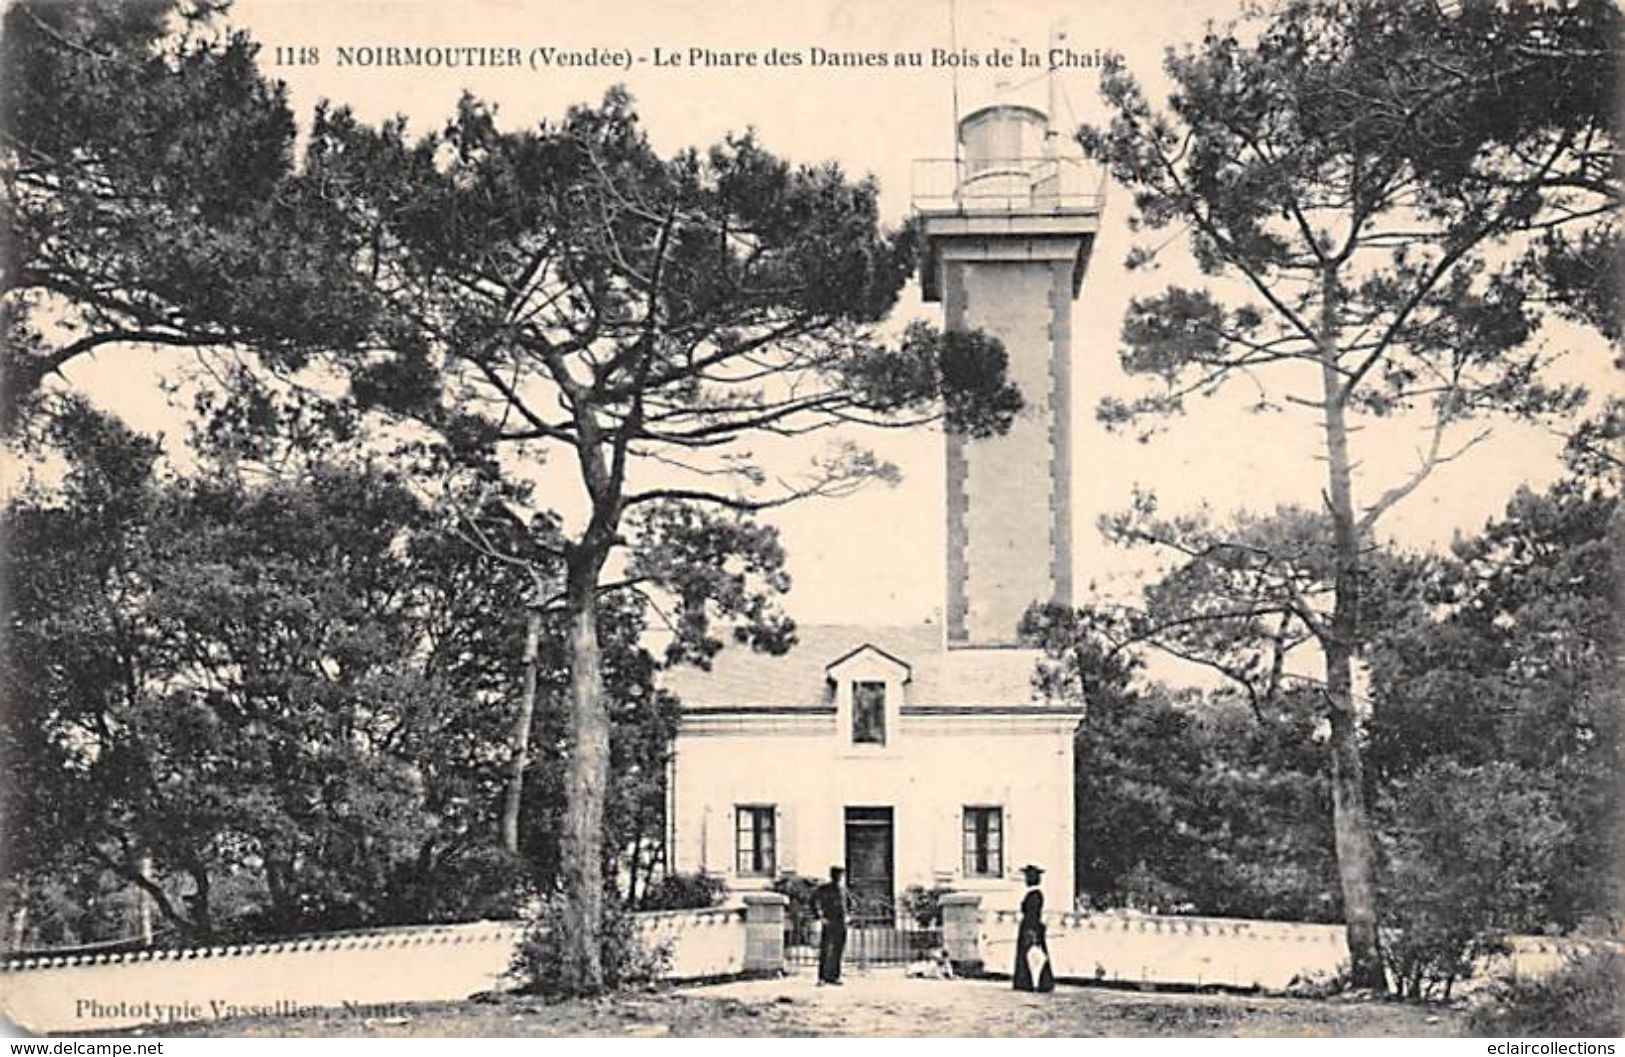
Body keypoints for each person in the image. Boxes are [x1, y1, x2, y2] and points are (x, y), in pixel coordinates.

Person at [1013, 863, 1055, 992]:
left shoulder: (1035, 895)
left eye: (1028, 877)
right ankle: (1032, 982)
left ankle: (1031, 982)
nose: (1026, 880)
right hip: (1032, 925)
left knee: (1031, 954)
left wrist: (1032, 932)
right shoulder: (1033, 894)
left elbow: (1032, 914)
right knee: (1031, 954)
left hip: (1031, 926)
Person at [813, 865, 848, 985]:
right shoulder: (824, 889)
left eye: (841, 875)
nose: (839, 877)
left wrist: (849, 916)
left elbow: (852, 904)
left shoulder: (843, 890)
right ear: (832, 875)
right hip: (829, 922)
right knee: (826, 950)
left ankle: (835, 977)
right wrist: (820, 917)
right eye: (837, 875)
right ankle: (822, 977)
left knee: (838, 951)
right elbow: (814, 901)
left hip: (841, 923)